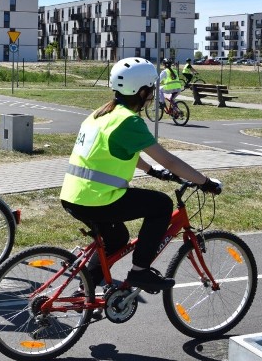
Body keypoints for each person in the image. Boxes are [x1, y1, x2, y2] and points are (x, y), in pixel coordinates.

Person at [60, 57, 221, 292]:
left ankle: (86, 292)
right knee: (161, 205)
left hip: (73, 195)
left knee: (116, 239)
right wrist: (205, 182)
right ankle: (140, 272)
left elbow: (121, 151)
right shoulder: (129, 121)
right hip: (97, 199)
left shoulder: (100, 114)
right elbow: (169, 159)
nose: (153, 94)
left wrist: (152, 171)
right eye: (152, 89)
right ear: (142, 90)